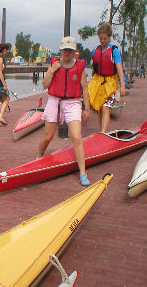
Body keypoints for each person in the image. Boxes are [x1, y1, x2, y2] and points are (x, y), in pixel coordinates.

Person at [38, 36, 91, 186]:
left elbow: (84, 88)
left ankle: (82, 173)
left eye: (70, 50)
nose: (67, 53)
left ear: (74, 52)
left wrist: (86, 108)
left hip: (72, 102)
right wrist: (51, 72)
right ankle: (39, 156)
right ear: (61, 50)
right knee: (48, 137)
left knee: (76, 136)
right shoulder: (54, 64)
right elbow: (44, 85)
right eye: (64, 50)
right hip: (55, 100)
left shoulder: (79, 66)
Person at [87, 22, 126, 133]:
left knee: (105, 108)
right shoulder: (95, 51)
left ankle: (103, 132)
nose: (103, 40)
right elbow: (94, 69)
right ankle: (101, 131)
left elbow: (119, 68)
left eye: (105, 38)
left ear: (109, 37)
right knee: (99, 109)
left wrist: (122, 85)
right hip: (98, 82)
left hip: (110, 83)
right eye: (101, 38)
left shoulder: (114, 51)